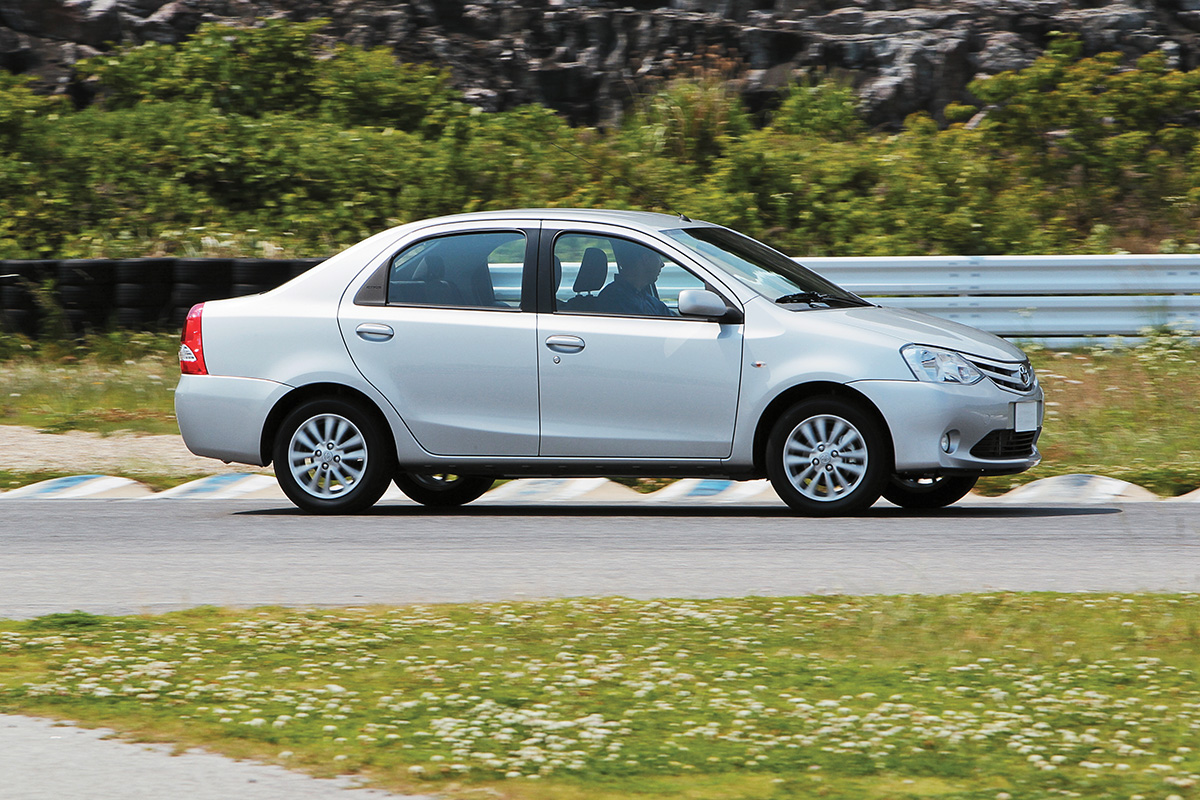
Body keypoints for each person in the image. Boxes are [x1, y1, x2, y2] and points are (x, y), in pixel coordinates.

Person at [596, 242, 673, 316]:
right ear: (646, 259)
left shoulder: (645, 297)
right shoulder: (614, 300)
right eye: (658, 257)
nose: (662, 264)